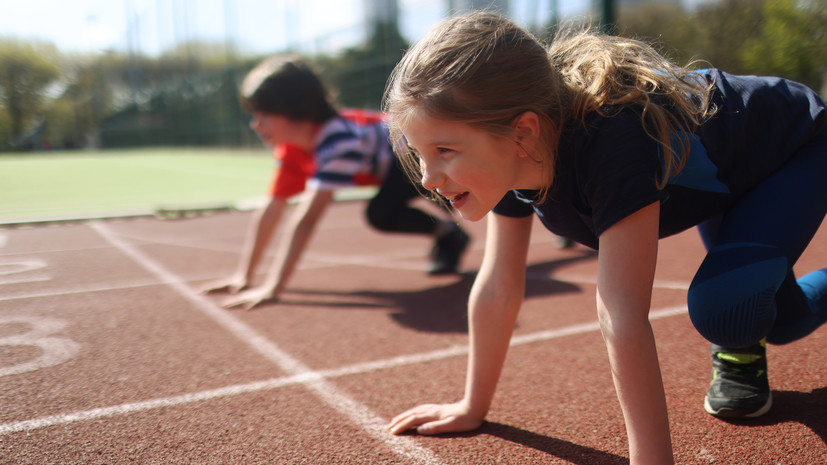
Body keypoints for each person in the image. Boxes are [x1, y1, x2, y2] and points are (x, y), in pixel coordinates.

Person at [382, 11, 827, 465]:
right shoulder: (511, 158)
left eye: (445, 151)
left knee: (727, 311)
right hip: (729, 174)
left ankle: (738, 339)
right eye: (419, 154)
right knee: (784, 320)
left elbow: (622, 316)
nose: (428, 178)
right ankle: (752, 323)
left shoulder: (610, 137)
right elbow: (497, 287)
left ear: (523, 132)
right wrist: (471, 406)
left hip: (794, 146)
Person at [200, 56, 470, 310]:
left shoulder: (336, 140)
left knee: (383, 212)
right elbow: (272, 209)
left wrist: (273, 287)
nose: (255, 125)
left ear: (293, 109)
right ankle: (450, 233)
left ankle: (451, 232)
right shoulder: (292, 148)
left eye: (263, 114)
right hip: (390, 163)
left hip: (410, 152)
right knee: (391, 209)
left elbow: (306, 220)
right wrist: (244, 276)